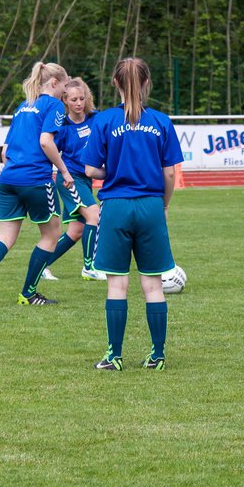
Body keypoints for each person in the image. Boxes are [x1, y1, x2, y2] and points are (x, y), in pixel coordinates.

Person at [82, 58, 183, 371]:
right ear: (147, 83)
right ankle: (157, 355)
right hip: (151, 206)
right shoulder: (162, 122)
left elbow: (90, 169)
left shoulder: (104, 122)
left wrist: (115, 165)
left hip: (116, 206)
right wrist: (164, 206)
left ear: (115, 83)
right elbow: (169, 174)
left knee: (117, 285)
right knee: (153, 285)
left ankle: (114, 356)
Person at [0, 62, 76, 308]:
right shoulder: (54, 105)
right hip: (35, 178)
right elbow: (46, 142)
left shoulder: (23, 106)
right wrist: (64, 171)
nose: (66, 91)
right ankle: (28, 293)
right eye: (65, 85)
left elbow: (5, 151)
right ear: (54, 83)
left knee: (5, 236)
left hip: (8, 178)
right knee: (52, 233)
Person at [43, 77, 103, 281]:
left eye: (82, 98)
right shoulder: (62, 126)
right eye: (74, 99)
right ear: (65, 101)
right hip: (70, 180)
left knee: (76, 230)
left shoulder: (97, 119)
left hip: (86, 180)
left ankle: (42, 264)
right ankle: (89, 267)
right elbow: (50, 150)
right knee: (94, 215)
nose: (79, 103)